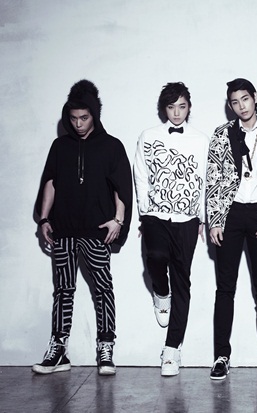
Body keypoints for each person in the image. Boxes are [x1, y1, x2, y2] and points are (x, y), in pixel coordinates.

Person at [33, 79, 133, 376]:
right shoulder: (60, 146)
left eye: (84, 118)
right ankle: (58, 350)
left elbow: (122, 188)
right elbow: (50, 181)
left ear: (94, 115)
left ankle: (106, 347)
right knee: (63, 289)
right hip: (63, 229)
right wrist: (44, 219)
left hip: (95, 229)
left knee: (102, 288)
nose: (78, 124)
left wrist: (118, 220)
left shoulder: (112, 146)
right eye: (74, 118)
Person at [206, 78, 257, 380]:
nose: (241, 106)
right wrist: (215, 220)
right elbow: (213, 177)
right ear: (230, 106)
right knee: (225, 288)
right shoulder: (222, 134)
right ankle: (221, 356)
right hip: (229, 214)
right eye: (235, 102)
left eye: (245, 99)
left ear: (255, 97)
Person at [134, 82, 209, 376]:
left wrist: (202, 218)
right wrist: (144, 211)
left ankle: (172, 350)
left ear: (189, 107)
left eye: (182, 106)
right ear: (163, 109)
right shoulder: (148, 136)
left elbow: (204, 180)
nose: (176, 113)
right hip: (155, 215)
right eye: (171, 107)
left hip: (187, 220)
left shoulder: (201, 140)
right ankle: (160, 292)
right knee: (155, 256)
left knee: (182, 281)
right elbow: (141, 174)